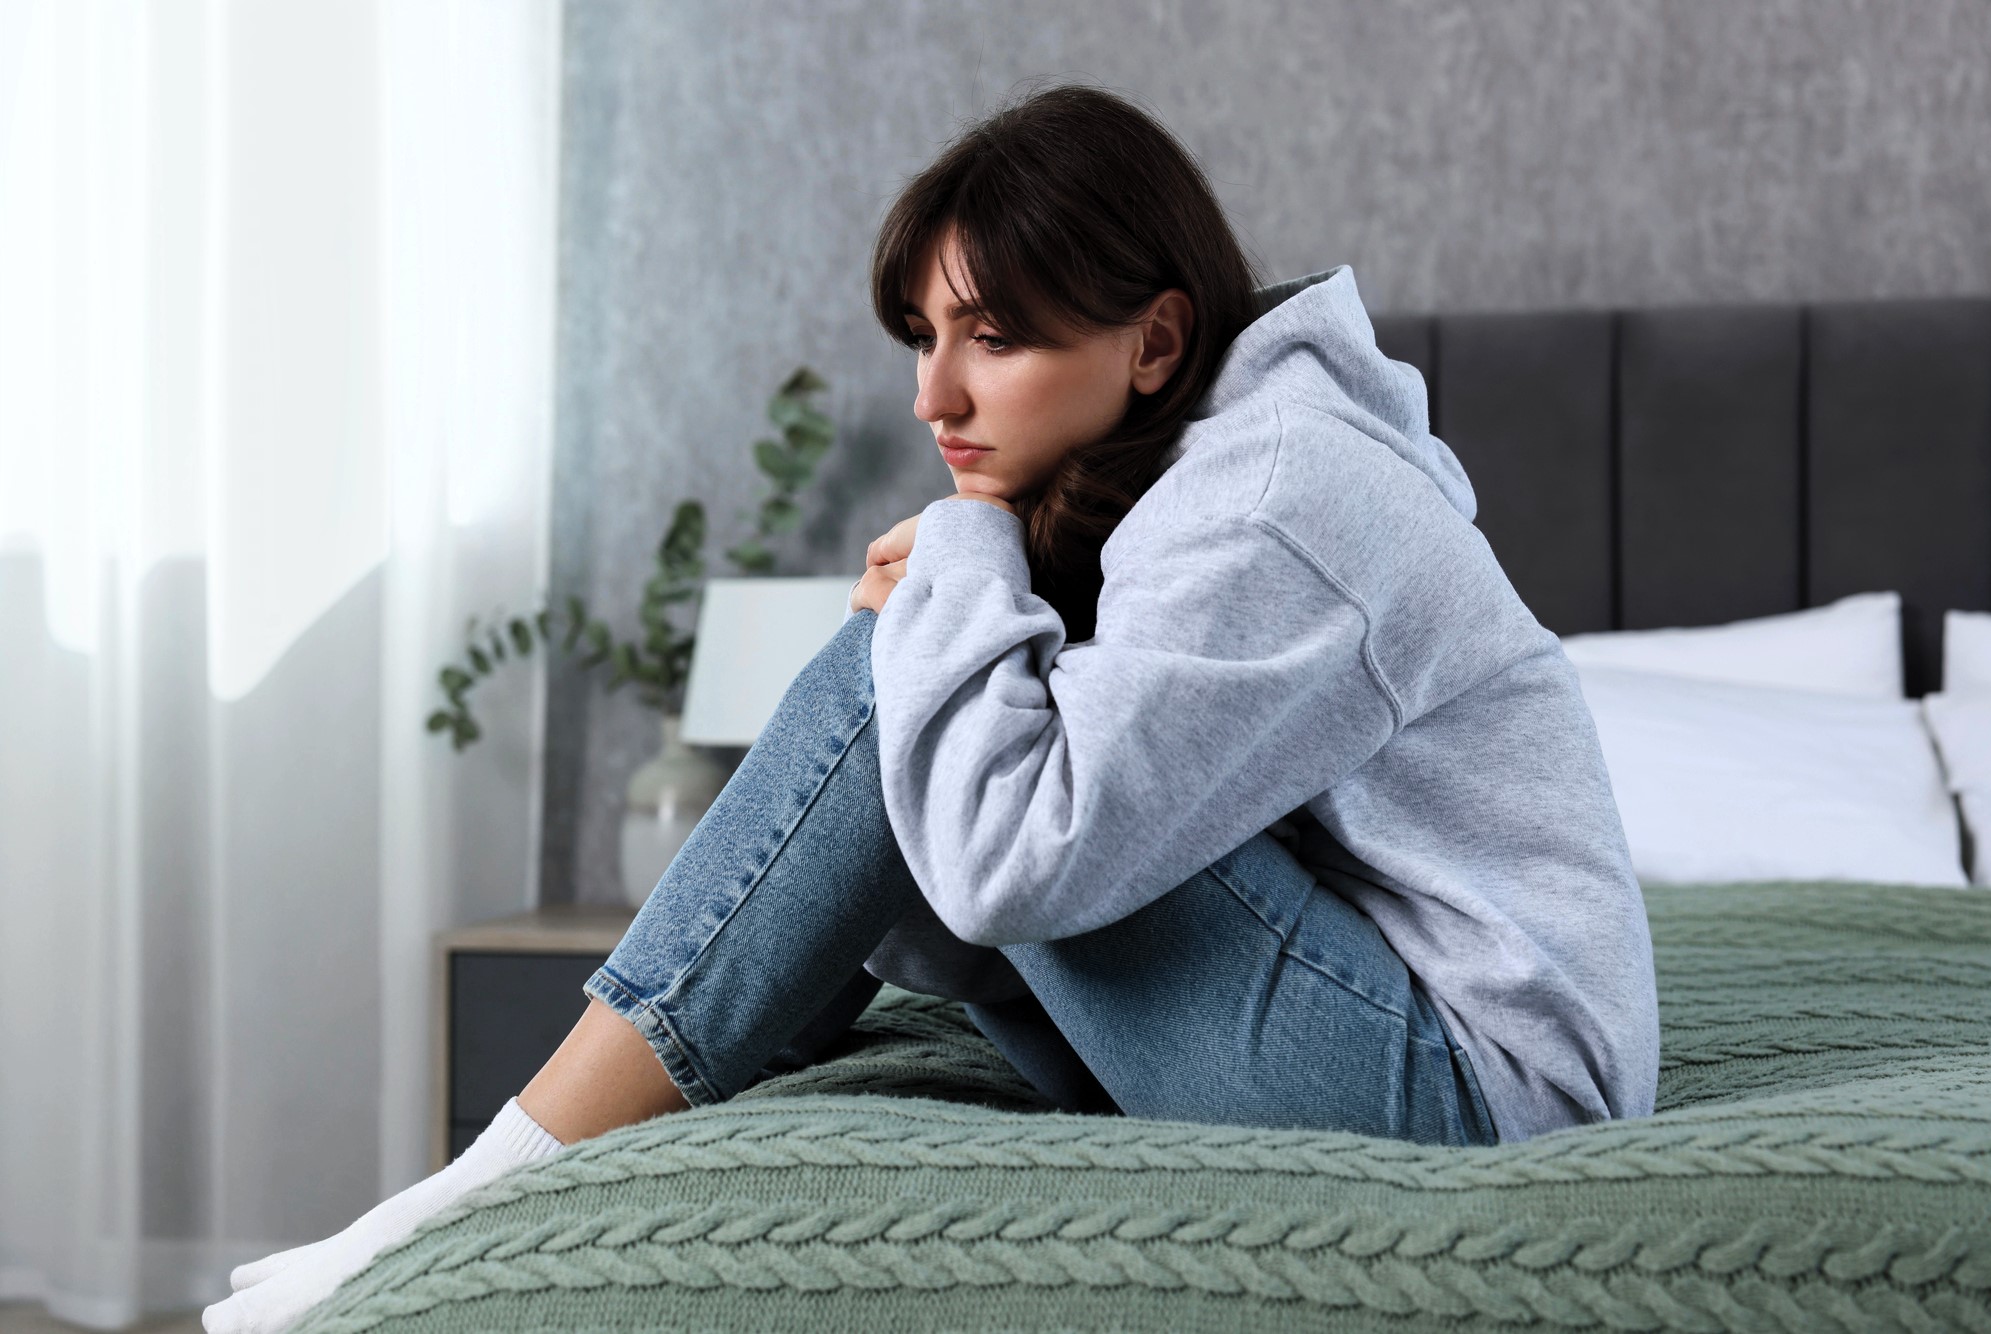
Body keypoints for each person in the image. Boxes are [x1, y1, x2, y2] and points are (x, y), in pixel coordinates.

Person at [204, 82, 1659, 1334]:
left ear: (1154, 343)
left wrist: (959, 561)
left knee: (897, 696)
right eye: (923, 335)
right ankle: (707, 1062)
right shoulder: (1208, 477)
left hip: (1478, 1092)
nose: (935, 398)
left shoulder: (1275, 508)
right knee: (913, 714)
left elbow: (1010, 858)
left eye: (994, 340)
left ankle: (476, 1186)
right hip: (1389, 1020)